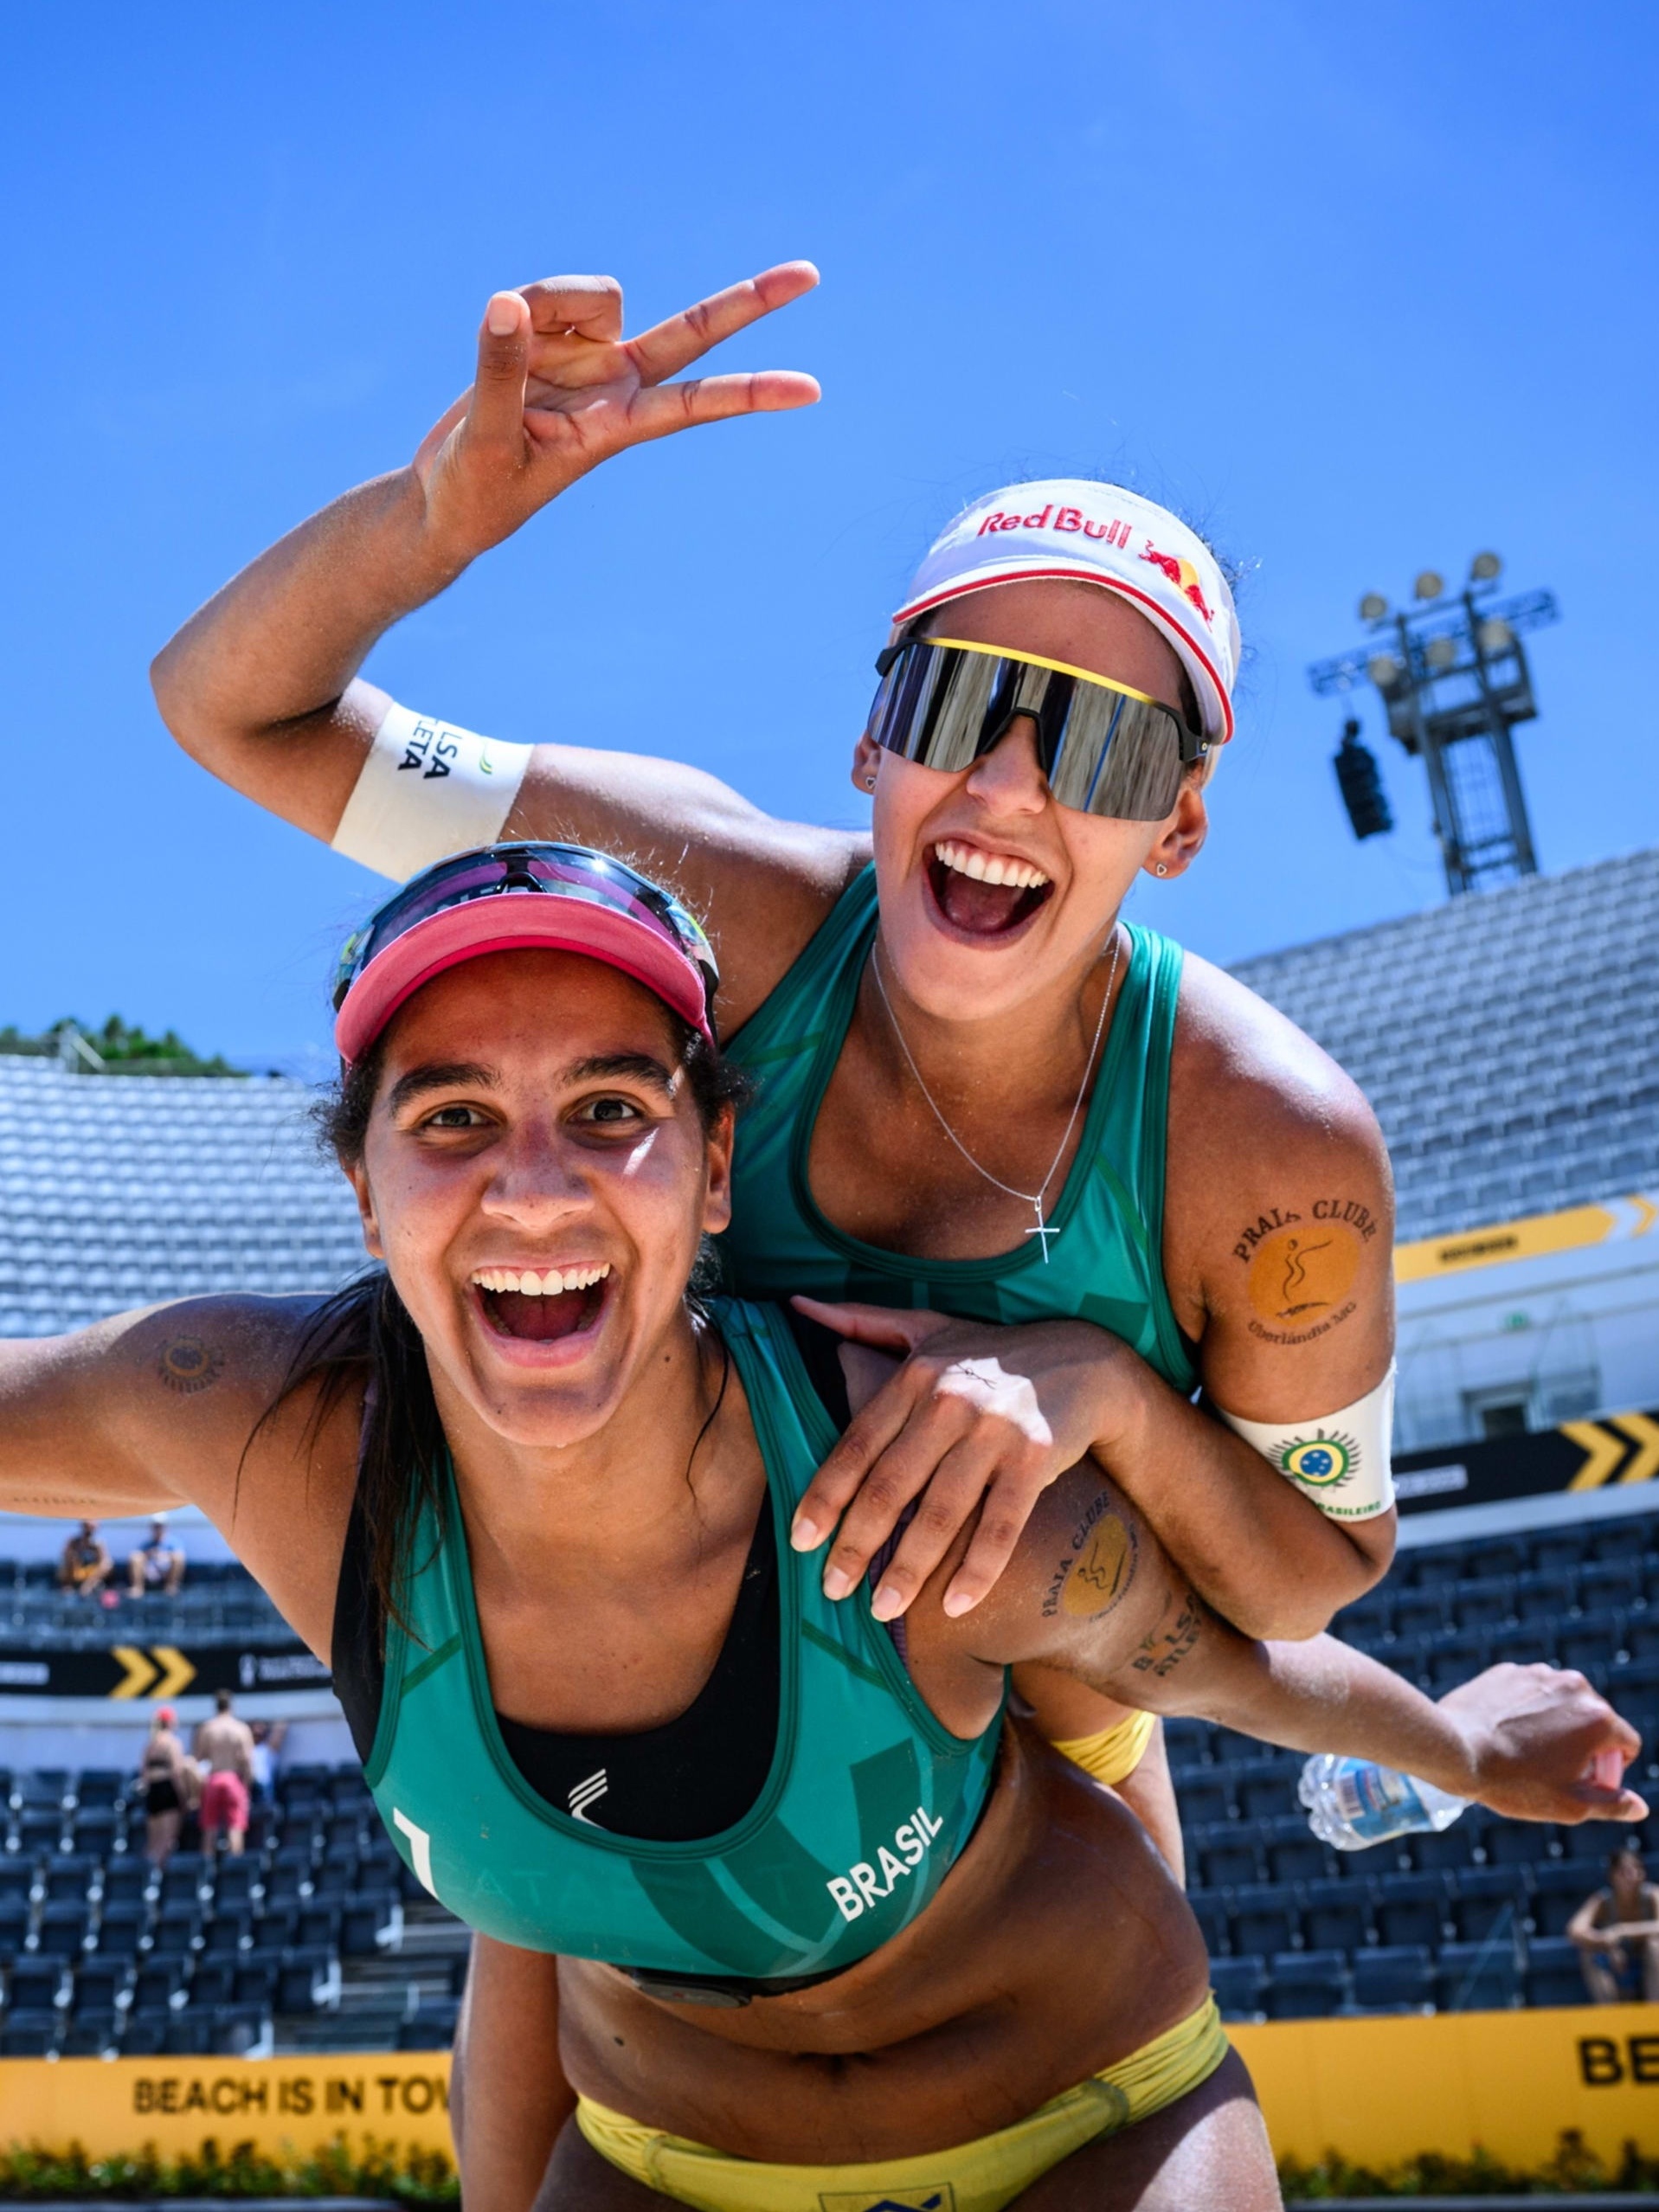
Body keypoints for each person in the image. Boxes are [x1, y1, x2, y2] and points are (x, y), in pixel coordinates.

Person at [0, 852, 1640, 2212]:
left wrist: (1472, 1753)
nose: (532, 1188)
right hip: (664, 2167)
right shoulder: (277, 1435)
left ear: (717, 1169)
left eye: (607, 1110)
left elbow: (1237, 1672)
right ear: (361, 1193)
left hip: (1085, 2128)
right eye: (445, 1121)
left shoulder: (909, 1478)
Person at [1569, 1845, 1659, 2004]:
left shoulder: (1652, 1895)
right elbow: (1575, 1930)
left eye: (1635, 1870)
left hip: (1648, 1959)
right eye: (1624, 1872)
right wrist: (1607, 1944)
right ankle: (1611, 2014)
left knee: (1655, 1947)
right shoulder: (1603, 1901)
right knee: (1589, 1955)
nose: (1630, 1876)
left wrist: (1623, 1931)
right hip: (1615, 1963)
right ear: (1612, 1875)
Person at [193, 1688, 254, 1855]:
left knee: (210, 1829)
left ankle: (206, 1872)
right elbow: (248, 1761)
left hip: (213, 1778)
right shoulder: (240, 1728)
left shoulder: (208, 1728)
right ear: (231, 1706)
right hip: (233, 1778)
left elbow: (198, 1759)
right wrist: (246, 1787)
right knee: (235, 1827)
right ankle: (235, 1870)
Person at [138, 1705, 191, 1866]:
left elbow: (144, 1774)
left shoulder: (151, 1743)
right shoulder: (172, 1743)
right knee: (167, 1839)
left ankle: (145, 1873)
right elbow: (177, 1772)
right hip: (167, 1790)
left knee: (153, 1841)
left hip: (152, 1793)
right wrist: (183, 1797)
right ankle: (155, 1877)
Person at [128, 1516, 185, 1598]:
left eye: (160, 1526)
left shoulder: (173, 1542)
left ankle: (171, 1586)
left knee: (178, 1558)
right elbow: (137, 1555)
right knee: (135, 1557)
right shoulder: (147, 1544)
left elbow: (179, 1555)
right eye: (156, 1526)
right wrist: (149, 1554)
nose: (158, 1529)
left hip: (166, 1571)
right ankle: (138, 1588)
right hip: (149, 1572)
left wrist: (164, 1555)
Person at [57, 1519, 111, 1597]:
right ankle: (68, 1586)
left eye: (92, 1528)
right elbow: (65, 1556)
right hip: (75, 1574)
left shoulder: (99, 1545)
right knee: (68, 1560)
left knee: (106, 1565)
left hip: (91, 1576)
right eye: (87, 1527)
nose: (89, 1531)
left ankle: (88, 1586)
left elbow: (105, 1564)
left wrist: (89, 1583)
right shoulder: (73, 1542)